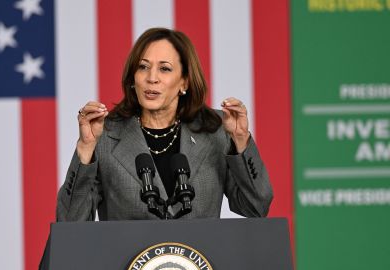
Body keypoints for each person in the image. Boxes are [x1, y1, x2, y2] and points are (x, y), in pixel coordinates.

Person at [56, 27, 273, 221]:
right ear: (133, 79)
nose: (152, 78)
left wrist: (241, 141)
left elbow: (255, 207)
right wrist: (85, 148)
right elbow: (70, 221)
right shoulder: (105, 134)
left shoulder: (216, 130)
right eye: (143, 67)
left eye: (165, 69)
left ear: (184, 82)